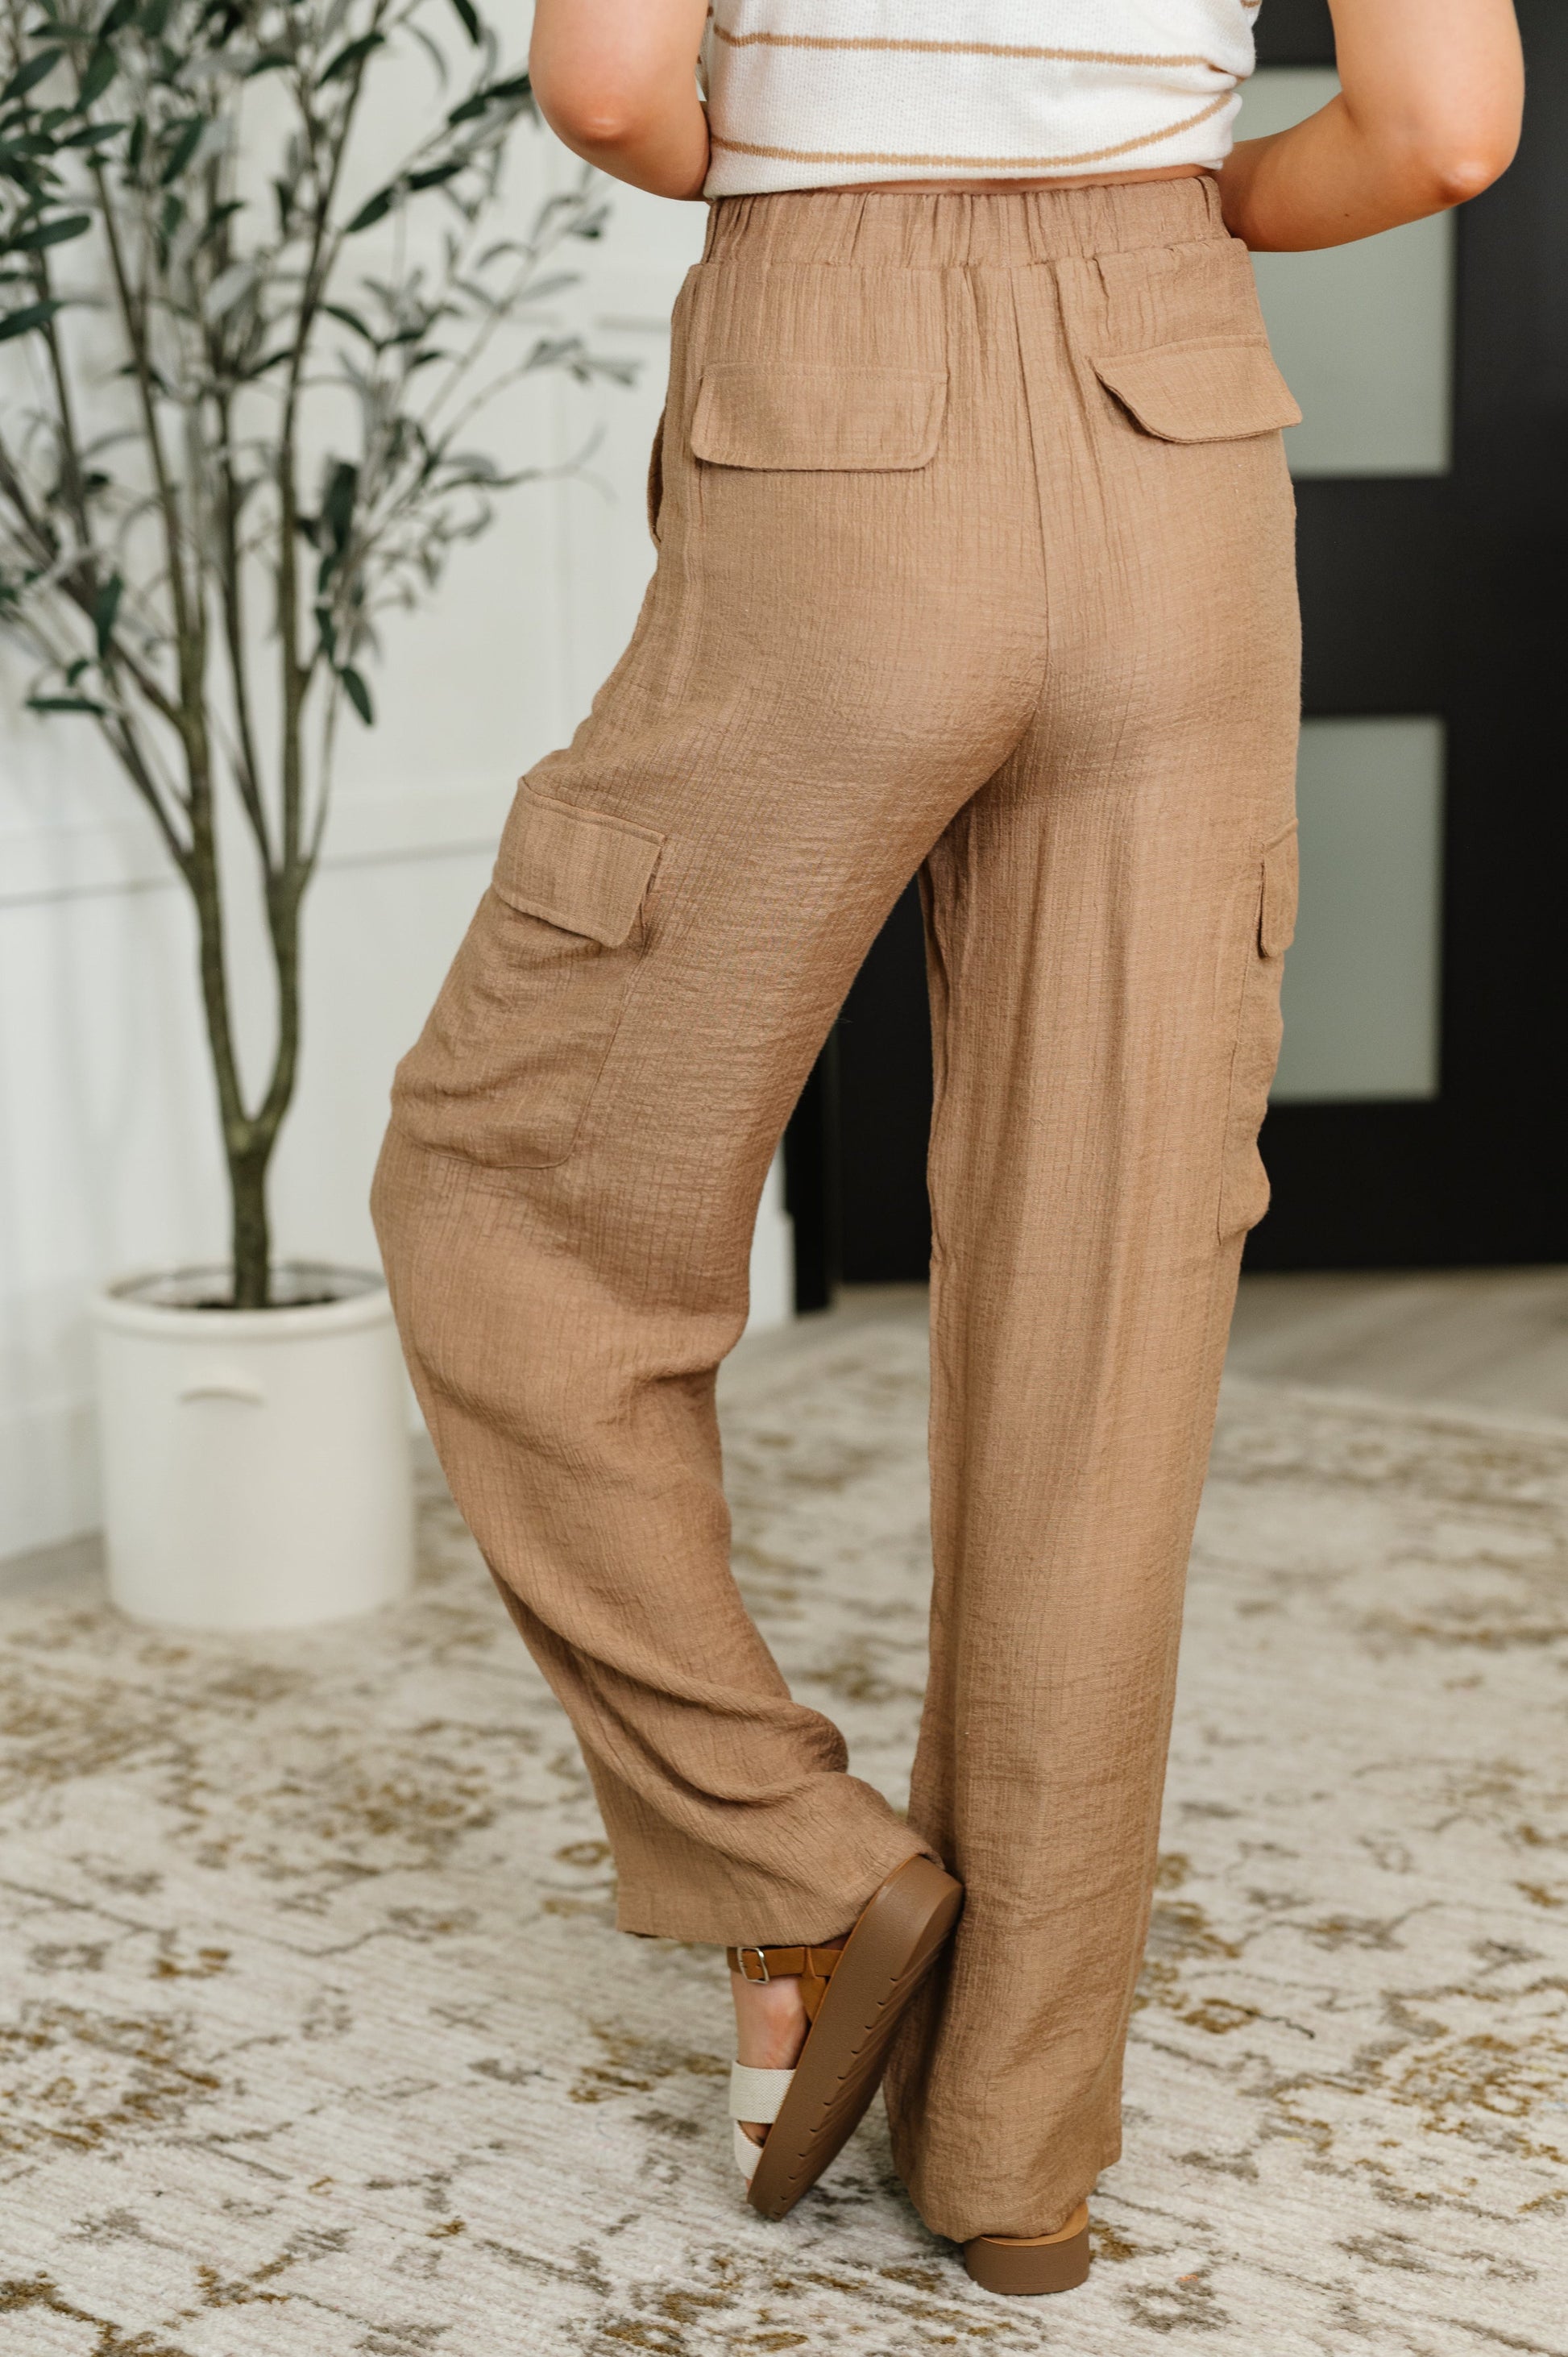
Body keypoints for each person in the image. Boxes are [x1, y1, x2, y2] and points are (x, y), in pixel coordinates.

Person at [371, 0, 1523, 2298]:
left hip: (840, 413)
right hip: (1180, 426)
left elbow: (610, 89)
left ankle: (795, 1862)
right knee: (1105, 1308)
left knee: (509, 1197)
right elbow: (1440, 130)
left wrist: (841, 188)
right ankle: (1017, 2157)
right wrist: (1184, 198)